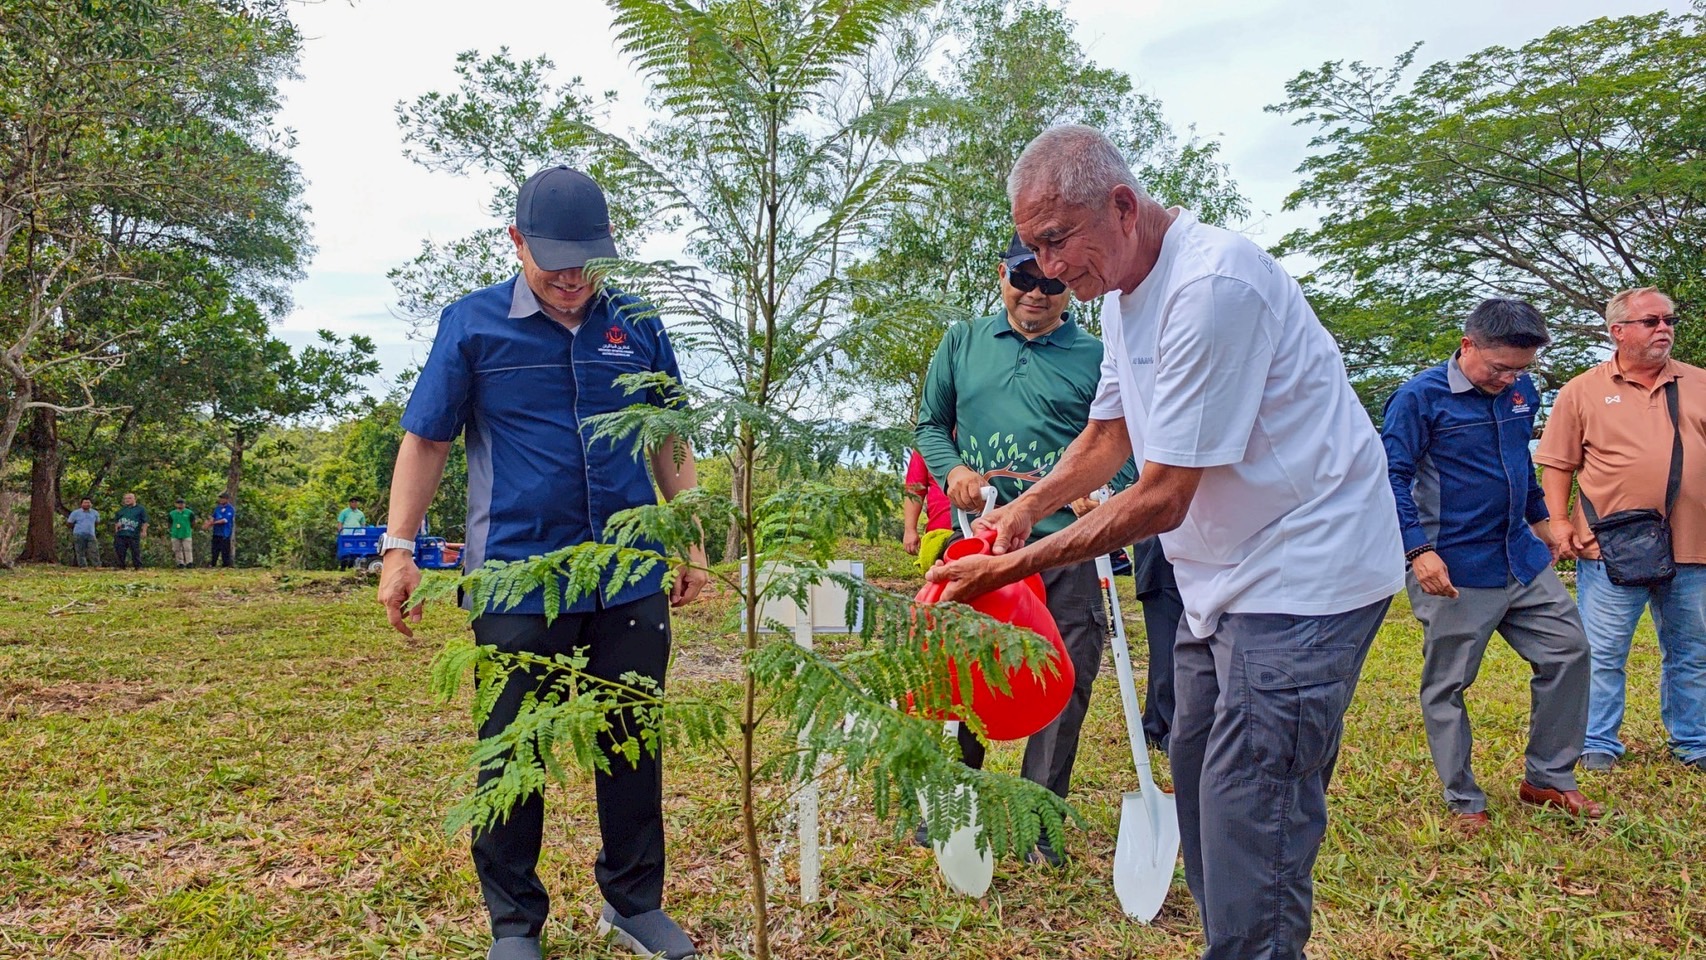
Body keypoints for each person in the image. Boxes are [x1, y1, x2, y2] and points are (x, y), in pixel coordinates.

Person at [927, 125, 1404, 960]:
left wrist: (1020, 560)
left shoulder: (1211, 285)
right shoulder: (1121, 293)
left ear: (1120, 206)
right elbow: (1106, 437)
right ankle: (1234, 933)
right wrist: (1022, 509)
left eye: (1054, 240)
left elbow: (1163, 497)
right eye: (1031, 246)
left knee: (1253, 798)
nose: (1043, 268)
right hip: (1222, 572)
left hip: (1304, 570)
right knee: (1194, 765)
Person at [378, 165, 709, 960]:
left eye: (587, 261)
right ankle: (515, 923)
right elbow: (426, 439)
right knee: (512, 749)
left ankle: (633, 903)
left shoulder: (636, 322)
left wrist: (691, 539)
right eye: (554, 259)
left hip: (629, 576)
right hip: (517, 580)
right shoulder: (473, 325)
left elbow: (668, 437)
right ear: (516, 240)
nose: (571, 278)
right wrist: (398, 548)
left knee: (632, 740)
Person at [916, 231, 1125, 866]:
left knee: (1066, 672)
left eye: (1051, 284)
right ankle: (956, 804)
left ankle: (1039, 817)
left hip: (1066, 543)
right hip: (979, 540)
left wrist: (1107, 490)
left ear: (1069, 289)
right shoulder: (963, 341)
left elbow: (1124, 434)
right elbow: (930, 423)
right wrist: (951, 468)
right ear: (1001, 274)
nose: (1036, 293)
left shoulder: (1098, 353)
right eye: (1023, 279)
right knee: (965, 671)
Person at [1382, 299, 1600, 830]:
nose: (1509, 378)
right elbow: (1389, 477)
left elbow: (1518, 462)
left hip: (1520, 559)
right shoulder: (1418, 398)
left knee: (1569, 653)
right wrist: (1417, 551)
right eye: (1499, 366)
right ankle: (1463, 798)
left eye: (1520, 368)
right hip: (1453, 566)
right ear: (1467, 345)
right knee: (1449, 684)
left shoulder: (1523, 390)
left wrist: (1542, 519)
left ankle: (1547, 778)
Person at [1535, 286, 1706, 773]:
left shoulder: (1698, 383)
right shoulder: (1582, 390)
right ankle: (1596, 744)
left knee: (1692, 652)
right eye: (1651, 321)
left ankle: (1694, 743)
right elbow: (1556, 465)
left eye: (1668, 320)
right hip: (1609, 546)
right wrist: (1561, 523)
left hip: (1694, 545)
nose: (1664, 329)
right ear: (1618, 331)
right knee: (1603, 653)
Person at [901, 449, 950, 556]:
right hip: (939, 534)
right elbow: (914, 490)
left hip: (985, 530)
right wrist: (910, 530)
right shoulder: (925, 442)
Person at [112, 492, 148, 570]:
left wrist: (144, 531)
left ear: (134, 499)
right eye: (125, 498)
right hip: (121, 534)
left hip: (133, 534)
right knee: (120, 550)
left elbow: (145, 521)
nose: (127, 500)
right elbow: (116, 522)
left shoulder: (140, 509)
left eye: (129, 498)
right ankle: (120, 566)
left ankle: (138, 566)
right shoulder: (121, 510)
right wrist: (116, 532)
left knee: (135, 550)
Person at [66, 497, 101, 568]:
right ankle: (83, 566)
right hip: (79, 534)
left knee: (94, 550)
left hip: (91, 534)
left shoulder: (95, 513)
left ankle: (97, 566)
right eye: (85, 503)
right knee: (80, 551)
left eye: (88, 503)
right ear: (81, 504)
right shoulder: (76, 513)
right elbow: (69, 523)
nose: (87, 504)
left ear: (91, 504)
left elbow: (97, 522)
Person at [206, 493, 235, 567]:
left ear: (227, 499)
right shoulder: (217, 508)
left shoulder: (230, 509)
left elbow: (225, 520)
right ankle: (213, 564)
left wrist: (213, 523)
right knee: (214, 550)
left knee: (225, 551)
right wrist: (208, 523)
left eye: (223, 498)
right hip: (216, 532)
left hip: (225, 533)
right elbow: (213, 517)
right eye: (220, 498)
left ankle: (226, 565)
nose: (221, 500)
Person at [168, 498, 197, 569]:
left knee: (187, 548)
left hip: (186, 533)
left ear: (185, 504)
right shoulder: (172, 513)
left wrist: (189, 528)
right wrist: (172, 530)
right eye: (178, 503)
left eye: (182, 503)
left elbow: (193, 522)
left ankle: (189, 562)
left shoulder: (189, 513)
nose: (180, 504)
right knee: (177, 549)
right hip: (175, 533)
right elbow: (169, 523)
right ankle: (180, 563)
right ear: (175, 504)